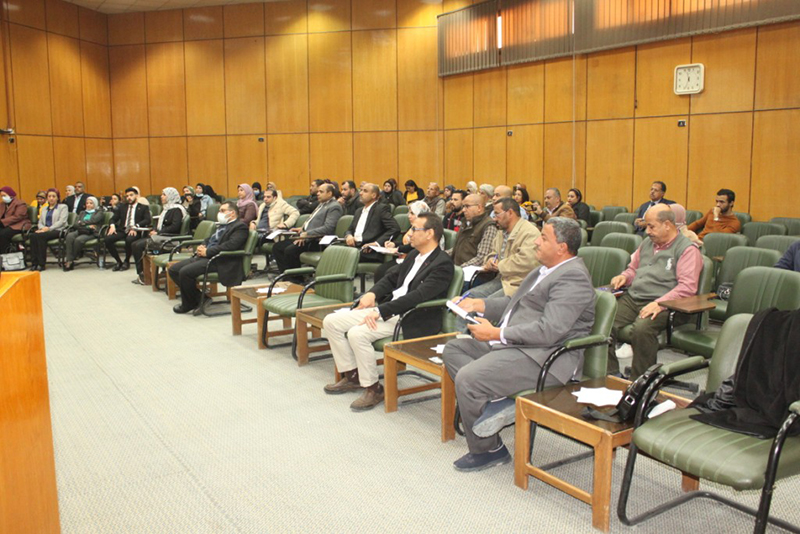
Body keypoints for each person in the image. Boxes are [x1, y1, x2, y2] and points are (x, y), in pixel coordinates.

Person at [442, 218, 595, 471]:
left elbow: (549, 330)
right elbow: (515, 305)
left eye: (543, 238)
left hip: (544, 358)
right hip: (518, 346)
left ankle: (487, 450)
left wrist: (497, 333)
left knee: (469, 379)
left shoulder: (573, 278)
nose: (536, 241)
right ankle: (496, 401)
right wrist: (479, 305)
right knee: (454, 349)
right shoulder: (543, 270)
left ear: (562, 247)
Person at [322, 213, 454, 411]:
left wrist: (380, 311)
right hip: (390, 309)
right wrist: (372, 294)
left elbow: (417, 297)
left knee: (357, 334)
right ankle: (353, 376)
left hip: (411, 317)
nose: (409, 234)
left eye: (414, 229)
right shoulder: (414, 255)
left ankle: (374, 388)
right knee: (331, 321)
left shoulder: (442, 264)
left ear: (429, 233)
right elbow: (391, 277)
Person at [607, 204, 703, 379]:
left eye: (651, 226)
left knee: (642, 329)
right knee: (604, 321)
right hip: (634, 297)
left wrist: (659, 303)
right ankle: (611, 375)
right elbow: (633, 269)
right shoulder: (647, 243)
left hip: (667, 303)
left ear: (667, 225)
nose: (647, 231)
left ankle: (640, 383)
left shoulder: (687, 250)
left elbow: (687, 287)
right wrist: (624, 277)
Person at [169, 202, 249, 314]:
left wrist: (208, 251)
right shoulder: (222, 225)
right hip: (207, 257)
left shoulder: (240, 227)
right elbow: (209, 239)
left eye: (222, 211)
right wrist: (202, 246)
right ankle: (201, 298)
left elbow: (231, 246)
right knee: (173, 270)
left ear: (232, 213)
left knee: (185, 272)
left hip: (221, 260)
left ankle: (188, 304)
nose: (219, 213)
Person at [271, 183, 343, 282]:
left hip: (318, 240)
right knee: (277, 247)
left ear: (330, 193)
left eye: (321, 192)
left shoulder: (334, 207)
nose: (318, 193)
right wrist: (302, 229)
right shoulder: (322, 204)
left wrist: (307, 234)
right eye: (318, 191)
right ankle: (286, 277)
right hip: (307, 237)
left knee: (290, 250)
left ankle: (297, 280)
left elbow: (328, 228)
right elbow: (313, 222)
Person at [131, 187, 187, 284]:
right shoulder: (167, 208)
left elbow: (175, 227)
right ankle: (142, 273)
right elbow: (162, 225)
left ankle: (144, 276)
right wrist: (155, 230)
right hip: (162, 236)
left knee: (138, 246)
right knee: (134, 244)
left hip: (170, 239)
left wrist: (158, 233)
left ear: (170, 196)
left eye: (164, 195)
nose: (161, 196)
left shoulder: (177, 209)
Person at [373, 200, 432, 283]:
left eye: (412, 213)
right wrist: (394, 244)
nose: (409, 216)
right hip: (404, 257)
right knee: (381, 271)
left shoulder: (425, 229)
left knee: (385, 272)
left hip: (415, 260)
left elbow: (414, 246)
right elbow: (407, 242)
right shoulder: (412, 227)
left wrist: (398, 249)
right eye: (409, 213)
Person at [346, 184, 400, 263]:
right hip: (354, 247)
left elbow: (394, 228)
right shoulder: (358, 211)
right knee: (333, 252)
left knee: (342, 257)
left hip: (369, 250)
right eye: (361, 190)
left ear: (373, 195)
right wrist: (349, 236)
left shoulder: (381, 209)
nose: (360, 193)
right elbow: (350, 229)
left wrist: (376, 243)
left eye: (365, 191)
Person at [105, 187, 152, 271]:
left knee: (129, 239)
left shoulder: (143, 207)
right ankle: (119, 262)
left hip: (135, 230)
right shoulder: (122, 207)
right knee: (107, 239)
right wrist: (112, 225)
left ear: (136, 196)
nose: (129, 197)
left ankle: (126, 261)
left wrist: (136, 226)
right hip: (123, 230)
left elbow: (147, 220)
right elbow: (113, 219)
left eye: (131, 195)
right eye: (127, 196)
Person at [449, 193, 498, 269]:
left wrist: (458, 269)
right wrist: (440, 255)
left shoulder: (489, 226)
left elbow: (481, 258)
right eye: (463, 206)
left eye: (467, 206)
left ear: (479, 207)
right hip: (457, 267)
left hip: (471, 272)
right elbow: (456, 249)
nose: (463, 210)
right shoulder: (465, 222)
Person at [28, 189, 68, 271]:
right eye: (49, 196)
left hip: (58, 230)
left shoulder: (63, 207)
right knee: (33, 236)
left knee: (40, 236)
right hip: (44, 230)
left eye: (54, 196)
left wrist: (48, 228)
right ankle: (34, 263)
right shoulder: (44, 208)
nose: (51, 198)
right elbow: (40, 222)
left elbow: (62, 221)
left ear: (57, 198)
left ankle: (41, 264)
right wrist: (42, 228)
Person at [62, 196, 103, 271]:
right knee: (69, 236)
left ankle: (70, 260)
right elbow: (75, 224)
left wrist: (81, 222)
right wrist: (86, 224)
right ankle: (70, 260)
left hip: (91, 232)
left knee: (78, 240)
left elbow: (94, 220)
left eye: (91, 203)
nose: (88, 205)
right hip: (81, 230)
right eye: (87, 203)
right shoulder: (82, 212)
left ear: (95, 204)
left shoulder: (99, 212)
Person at [0, 186, 31, 253]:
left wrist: (2, 222)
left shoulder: (20, 203)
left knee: (2, 234)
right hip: (6, 225)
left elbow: (18, 217)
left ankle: (5, 254)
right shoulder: (2, 204)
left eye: (4, 195)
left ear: (10, 195)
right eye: (1, 196)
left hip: (18, 225)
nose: (3, 197)